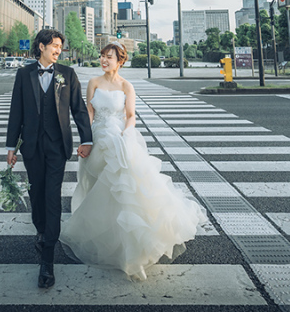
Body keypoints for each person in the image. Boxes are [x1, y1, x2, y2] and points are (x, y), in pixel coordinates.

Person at [60, 42, 206, 281]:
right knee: (95, 184)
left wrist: (125, 134)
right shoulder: (94, 83)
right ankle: (101, 232)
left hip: (118, 137)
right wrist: (86, 139)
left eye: (109, 57)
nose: (104, 60)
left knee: (123, 188)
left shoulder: (127, 86)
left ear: (120, 60)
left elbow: (130, 116)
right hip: (98, 138)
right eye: (102, 56)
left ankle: (126, 246)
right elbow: (89, 113)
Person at [6, 28, 93, 289]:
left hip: (57, 147)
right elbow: (16, 111)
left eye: (60, 46)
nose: (58, 50)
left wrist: (86, 140)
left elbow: (78, 109)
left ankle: (47, 261)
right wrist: (11, 146)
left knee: (52, 196)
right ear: (41, 47)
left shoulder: (68, 74)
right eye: (54, 45)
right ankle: (41, 230)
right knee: (37, 195)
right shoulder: (24, 74)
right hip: (31, 147)